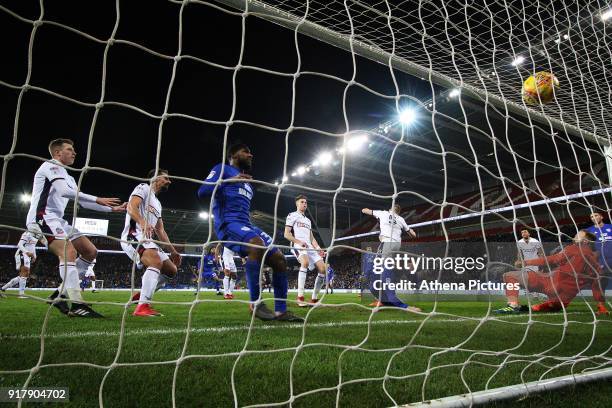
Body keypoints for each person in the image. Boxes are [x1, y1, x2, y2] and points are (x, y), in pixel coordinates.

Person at [198, 143, 302, 322]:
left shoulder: (248, 184)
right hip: (228, 225)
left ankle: (281, 311)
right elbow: (202, 192)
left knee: (279, 259)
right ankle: (256, 303)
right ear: (233, 155)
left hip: (246, 225)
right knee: (256, 244)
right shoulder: (222, 169)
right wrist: (229, 181)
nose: (250, 155)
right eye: (246, 151)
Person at [27, 139, 125, 317]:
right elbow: (64, 191)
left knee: (90, 252)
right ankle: (78, 304)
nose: (74, 153)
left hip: (58, 220)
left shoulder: (68, 176)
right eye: (69, 149)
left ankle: (59, 295)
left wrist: (112, 209)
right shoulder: (50, 165)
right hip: (42, 216)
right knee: (68, 251)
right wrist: (97, 198)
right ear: (57, 153)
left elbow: (82, 202)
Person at [495, 230, 609, 315]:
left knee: (509, 276)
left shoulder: (574, 248)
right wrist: (601, 306)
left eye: (577, 235)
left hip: (549, 283)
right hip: (561, 299)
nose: (574, 236)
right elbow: (597, 285)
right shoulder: (596, 266)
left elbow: (551, 259)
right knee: (545, 307)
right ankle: (536, 307)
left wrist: (526, 262)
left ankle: (513, 305)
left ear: (585, 241)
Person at [121, 169, 182, 317]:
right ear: (155, 178)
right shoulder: (143, 188)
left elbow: (160, 230)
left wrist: (173, 251)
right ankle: (143, 306)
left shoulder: (158, 204)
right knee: (155, 261)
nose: (169, 181)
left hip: (148, 240)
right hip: (134, 236)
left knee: (171, 270)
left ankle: (142, 295)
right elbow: (131, 206)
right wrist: (142, 221)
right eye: (166, 178)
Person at [361, 204, 420, 312]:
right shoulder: (401, 219)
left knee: (380, 271)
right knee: (383, 269)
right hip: (397, 245)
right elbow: (413, 234)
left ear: (390, 209)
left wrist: (375, 215)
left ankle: (398, 303)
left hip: (387, 243)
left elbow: (365, 210)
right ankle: (384, 298)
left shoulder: (383, 213)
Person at [284, 195, 327, 306]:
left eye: (306, 202)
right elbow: (286, 234)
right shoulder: (292, 215)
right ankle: (300, 298)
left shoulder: (308, 220)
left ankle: (314, 299)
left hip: (309, 246)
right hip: (298, 244)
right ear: (297, 203)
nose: (304, 204)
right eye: (302, 202)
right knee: (305, 262)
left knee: (323, 269)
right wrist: (298, 241)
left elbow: (311, 238)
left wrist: (318, 249)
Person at [1, 231, 39, 298]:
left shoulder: (37, 234)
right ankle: (21, 294)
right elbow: (19, 244)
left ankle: (3, 289)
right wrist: (27, 252)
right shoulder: (27, 233)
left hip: (28, 256)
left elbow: (33, 246)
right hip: (22, 253)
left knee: (23, 275)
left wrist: (34, 256)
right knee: (25, 272)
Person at [586, 212, 611, 300]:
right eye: (591, 217)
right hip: (601, 261)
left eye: (595, 215)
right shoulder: (589, 231)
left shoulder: (610, 227)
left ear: (601, 216)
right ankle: (601, 306)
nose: (593, 218)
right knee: (601, 284)